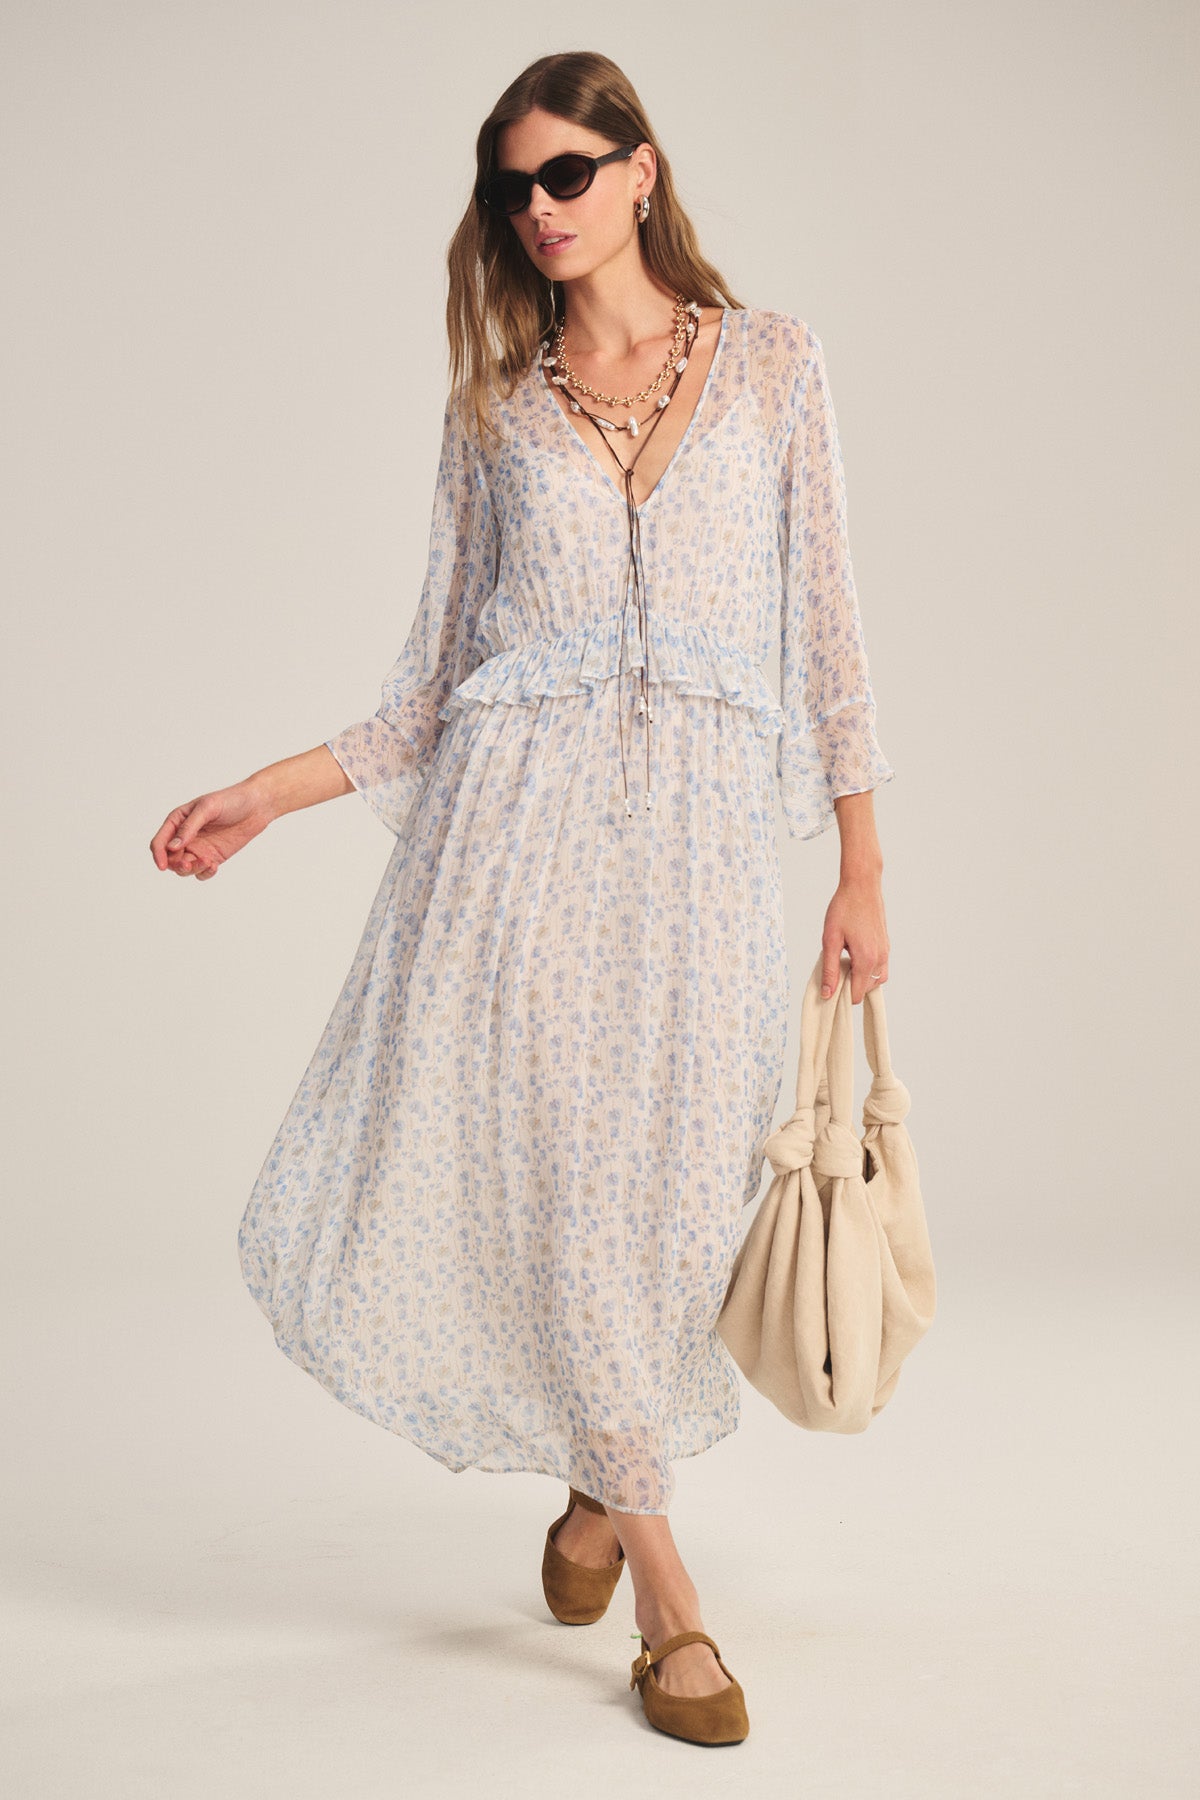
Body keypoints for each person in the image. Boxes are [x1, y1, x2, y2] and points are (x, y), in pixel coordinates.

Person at [148, 50, 894, 1747]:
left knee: (673, 1202)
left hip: (702, 859)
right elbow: (430, 686)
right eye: (512, 188)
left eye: (568, 173)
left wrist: (860, 859)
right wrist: (268, 793)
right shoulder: (495, 408)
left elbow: (835, 636)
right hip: (518, 850)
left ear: (643, 169)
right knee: (567, 1181)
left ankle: (586, 1484)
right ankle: (671, 1599)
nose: (539, 211)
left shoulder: (777, 368)